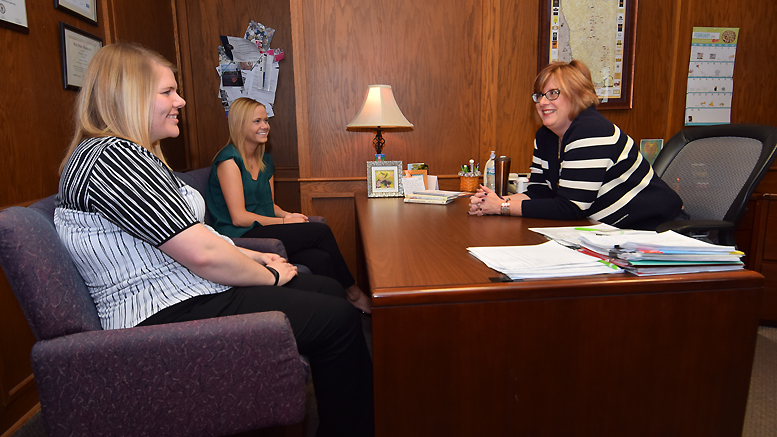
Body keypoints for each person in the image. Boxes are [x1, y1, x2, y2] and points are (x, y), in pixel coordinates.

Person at [54, 43, 373, 437]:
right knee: (339, 319)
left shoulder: (126, 155)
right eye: (167, 92)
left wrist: (258, 261)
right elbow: (203, 254)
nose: (181, 101)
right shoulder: (111, 157)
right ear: (130, 95)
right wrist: (270, 276)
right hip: (164, 313)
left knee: (325, 288)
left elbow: (196, 234)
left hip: (186, 292)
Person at [469, 60, 682, 230]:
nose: (543, 102)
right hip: (603, 232)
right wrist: (491, 201)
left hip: (650, 230)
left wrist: (502, 207)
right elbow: (539, 192)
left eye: (553, 94)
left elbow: (572, 207)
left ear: (577, 95)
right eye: (539, 95)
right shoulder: (546, 136)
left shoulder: (591, 129)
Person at [206, 97, 372, 314]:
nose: (265, 126)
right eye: (257, 121)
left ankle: (338, 310)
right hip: (242, 234)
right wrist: (284, 222)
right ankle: (354, 294)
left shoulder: (265, 160)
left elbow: (269, 205)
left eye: (265, 120)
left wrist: (288, 214)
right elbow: (239, 217)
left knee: (320, 258)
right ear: (240, 124)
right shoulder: (229, 160)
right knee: (320, 232)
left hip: (263, 228)